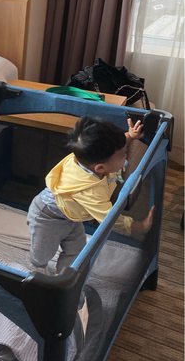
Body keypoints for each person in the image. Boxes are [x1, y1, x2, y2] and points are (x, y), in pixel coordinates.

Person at [27, 116, 154, 275]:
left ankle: (64, 278)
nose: (127, 155)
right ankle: (36, 274)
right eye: (123, 154)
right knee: (42, 254)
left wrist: (129, 136)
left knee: (77, 249)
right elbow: (110, 219)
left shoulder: (88, 159)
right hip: (47, 217)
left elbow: (112, 151)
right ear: (100, 168)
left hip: (71, 216)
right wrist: (138, 227)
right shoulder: (89, 191)